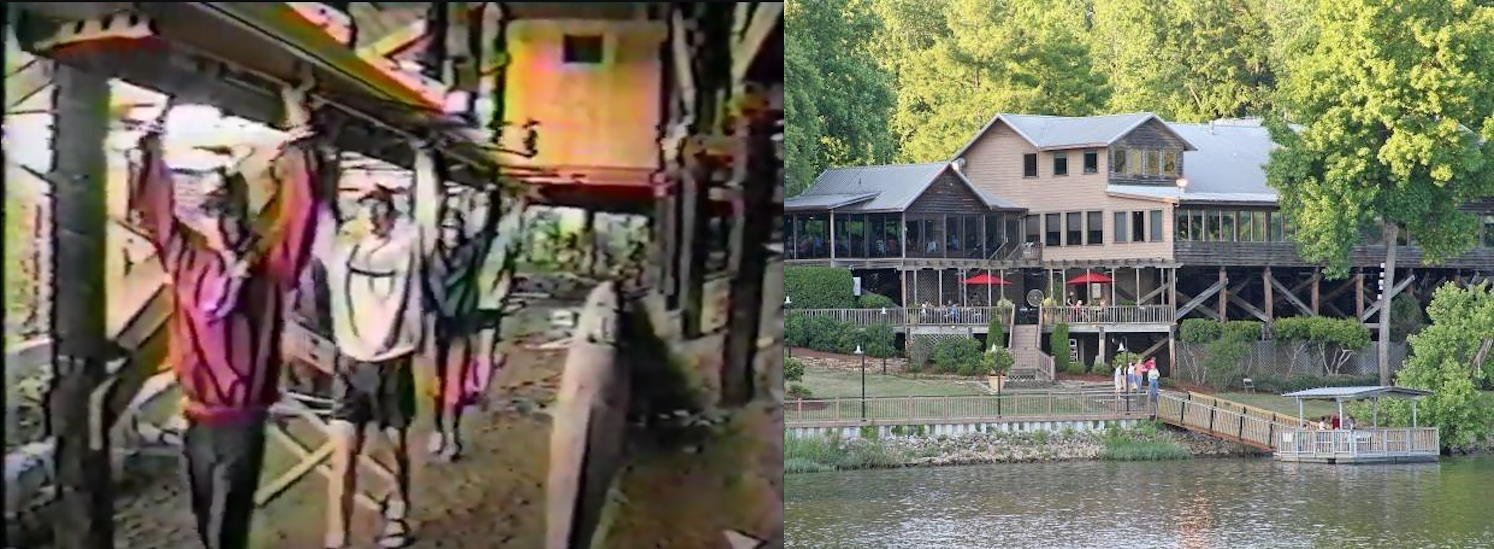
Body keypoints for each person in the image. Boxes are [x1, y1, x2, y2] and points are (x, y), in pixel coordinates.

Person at [131, 84, 324, 549]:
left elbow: (303, 210)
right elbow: (155, 210)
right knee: (208, 523)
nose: (223, 222)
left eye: (230, 212)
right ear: (206, 218)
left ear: (243, 217)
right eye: (215, 212)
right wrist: (156, 131)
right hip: (198, 416)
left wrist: (300, 132)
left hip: (241, 420)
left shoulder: (270, 269)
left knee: (227, 526)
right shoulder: (188, 261)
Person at [314, 142, 442, 549]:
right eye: (366, 205)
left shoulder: (408, 250)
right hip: (350, 366)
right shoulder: (341, 251)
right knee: (343, 458)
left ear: (393, 213)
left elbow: (429, 212)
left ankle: (397, 515)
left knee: (395, 450)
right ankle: (338, 536)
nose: (373, 213)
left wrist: (424, 160)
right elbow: (319, 209)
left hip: (393, 365)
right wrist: (325, 156)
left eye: (381, 206)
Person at [423, 187, 499, 462]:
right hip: (435, 328)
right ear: (440, 230)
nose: (451, 233)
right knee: (435, 383)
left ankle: (452, 434)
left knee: (455, 384)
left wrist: (492, 198)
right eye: (447, 228)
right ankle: (436, 430)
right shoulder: (428, 257)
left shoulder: (471, 253)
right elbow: (422, 291)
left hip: (461, 329)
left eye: (456, 228)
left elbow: (488, 232)